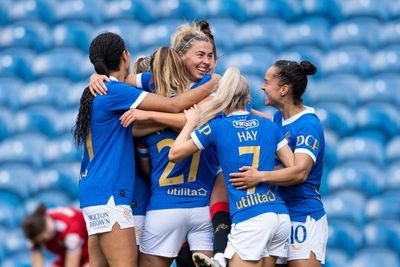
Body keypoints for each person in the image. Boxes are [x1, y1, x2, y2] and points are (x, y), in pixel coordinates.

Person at [73, 32, 219, 267]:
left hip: (92, 192)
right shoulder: (115, 91)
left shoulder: (97, 91)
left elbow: (134, 129)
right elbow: (174, 105)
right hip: (111, 194)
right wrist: (214, 83)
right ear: (125, 56)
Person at [168, 67, 294, 267]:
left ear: (223, 96)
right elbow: (293, 168)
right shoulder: (268, 125)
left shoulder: (216, 127)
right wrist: (262, 174)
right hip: (279, 216)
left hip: (250, 216)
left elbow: (174, 154)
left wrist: (191, 122)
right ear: (248, 97)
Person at [229, 60, 328, 267]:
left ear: (283, 89)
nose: (263, 87)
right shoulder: (278, 119)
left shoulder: (308, 125)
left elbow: (300, 172)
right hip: (278, 216)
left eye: (267, 82)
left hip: (303, 214)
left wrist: (259, 176)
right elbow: (266, 123)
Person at [22, 204, 89, 267]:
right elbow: (36, 259)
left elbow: (73, 262)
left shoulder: (69, 229)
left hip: (89, 252)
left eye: (44, 240)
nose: (44, 241)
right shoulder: (34, 232)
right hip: (65, 254)